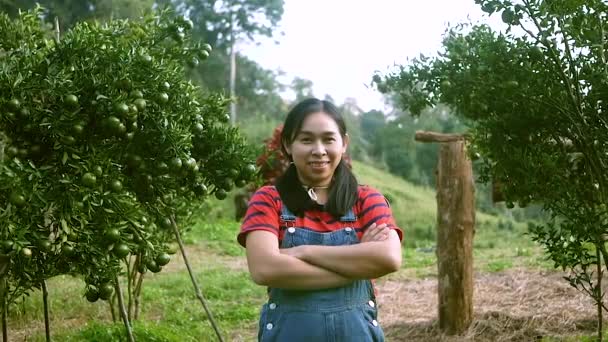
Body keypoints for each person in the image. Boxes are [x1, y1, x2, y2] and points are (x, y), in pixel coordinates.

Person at [237, 98, 403, 341]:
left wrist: (302, 252)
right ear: (288, 144)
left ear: (344, 143)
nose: (319, 150)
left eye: (328, 139)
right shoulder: (268, 199)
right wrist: (358, 263)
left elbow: (388, 258)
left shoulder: (367, 199)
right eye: (306, 139)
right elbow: (265, 269)